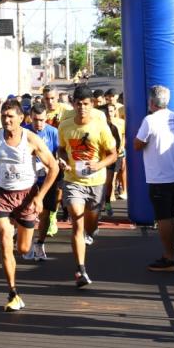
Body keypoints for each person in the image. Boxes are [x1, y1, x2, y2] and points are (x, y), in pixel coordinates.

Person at [0, 99, 59, 310]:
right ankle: (12, 293)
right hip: (1, 194)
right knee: (5, 240)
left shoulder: (31, 140)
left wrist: (40, 196)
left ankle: (22, 237)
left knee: (23, 249)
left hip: (26, 197)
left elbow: (54, 168)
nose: (6, 120)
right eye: (4, 116)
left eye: (10, 116)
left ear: (21, 119)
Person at [58, 84, 118, 287]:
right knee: (76, 218)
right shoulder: (65, 126)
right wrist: (63, 160)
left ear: (91, 104)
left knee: (90, 222)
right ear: (73, 104)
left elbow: (113, 154)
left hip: (96, 181)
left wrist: (98, 164)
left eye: (85, 104)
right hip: (73, 180)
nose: (82, 107)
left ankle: (91, 231)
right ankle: (80, 269)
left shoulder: (100, 127)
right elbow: (61, 149)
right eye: (78, 104)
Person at [133, 86, 174, 272]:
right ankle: (171, 254)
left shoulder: (149, 120)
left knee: (164, 218)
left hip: (160, 177)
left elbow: (137, 144)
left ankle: (169, 257)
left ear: (151, 102)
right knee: (171, 216)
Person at [26, 103, 61, 261]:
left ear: (46, 118)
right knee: (26, 213)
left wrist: (60, 162)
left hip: (47, 178)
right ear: (30, 118)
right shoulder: (24, 131)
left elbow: (59, 153)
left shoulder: (53, 132)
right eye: (35, 120)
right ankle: (26, 244)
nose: (38, 123)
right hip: (28, 179)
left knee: (46, 212)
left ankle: (40, 243)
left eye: (41, 120)